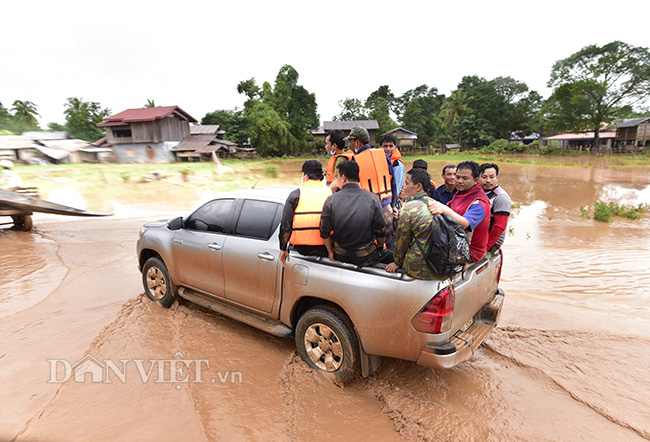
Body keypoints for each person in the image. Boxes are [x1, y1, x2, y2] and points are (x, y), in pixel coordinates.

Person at [320, 160, 392, 267]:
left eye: (338, 177)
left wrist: (331, 252)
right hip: (366, 256)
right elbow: (380, 230)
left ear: (343, 178)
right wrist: (380, 248)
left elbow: (324, 231)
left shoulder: (331, 200)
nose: (337, 180)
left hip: (340, 255)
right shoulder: (372, 198)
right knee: (395, 257)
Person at [346, 126, 397, 250]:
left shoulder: (355, 160)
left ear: (357, 142)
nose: (350, 145)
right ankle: (389, 264)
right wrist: (393, 204)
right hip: (386, 206)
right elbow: (393, 181)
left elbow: (353, 188)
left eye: (351, 142)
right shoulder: (383, 155)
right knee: (388, 239)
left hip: (368, 209)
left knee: (371, 242)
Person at [428, 160, 490, 263]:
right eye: (458, 177)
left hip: (469, 250)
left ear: (476, 180)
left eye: (465, 178)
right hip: (454, 240)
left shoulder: (479, 203)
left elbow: (465, 223)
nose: (459, 181)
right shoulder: (461, 193)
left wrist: (444, 209)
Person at [386, 168, 438, 280]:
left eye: (407, 183)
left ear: (418, 186)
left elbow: (402, 240)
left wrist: (397, 262)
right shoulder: (435, 203)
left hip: (419, 269)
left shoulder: (409, 208)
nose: (404, 187)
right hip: (438, 264)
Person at [279, 160, 331, 266]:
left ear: (305, 176)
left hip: (302, 249)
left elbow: (286, 225)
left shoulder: (296, 195)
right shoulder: (331, 194)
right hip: (325, 248)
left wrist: (283, 248)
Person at [479, 163, 512, 251]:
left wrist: (486, 247)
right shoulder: (481, 193)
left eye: (492, 177)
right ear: (478, 178)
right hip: (480, 238)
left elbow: (499, 226)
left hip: (491, 242)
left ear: (497, 178)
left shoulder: (501, 197)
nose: (488, 180)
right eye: (484, 177)